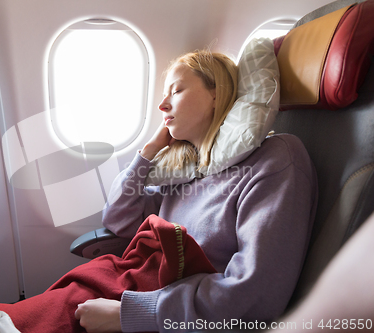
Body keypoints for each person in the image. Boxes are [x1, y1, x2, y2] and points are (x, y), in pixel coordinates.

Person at [75, 50, 318, 332]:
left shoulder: (275, 160)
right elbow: (119, 221)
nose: (162, 105)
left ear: (217, 94)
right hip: (141, 292)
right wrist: (148, 153)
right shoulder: (185, 169)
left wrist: (128, 314)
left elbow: (254, 295)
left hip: (172, 315)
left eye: (176, 91)